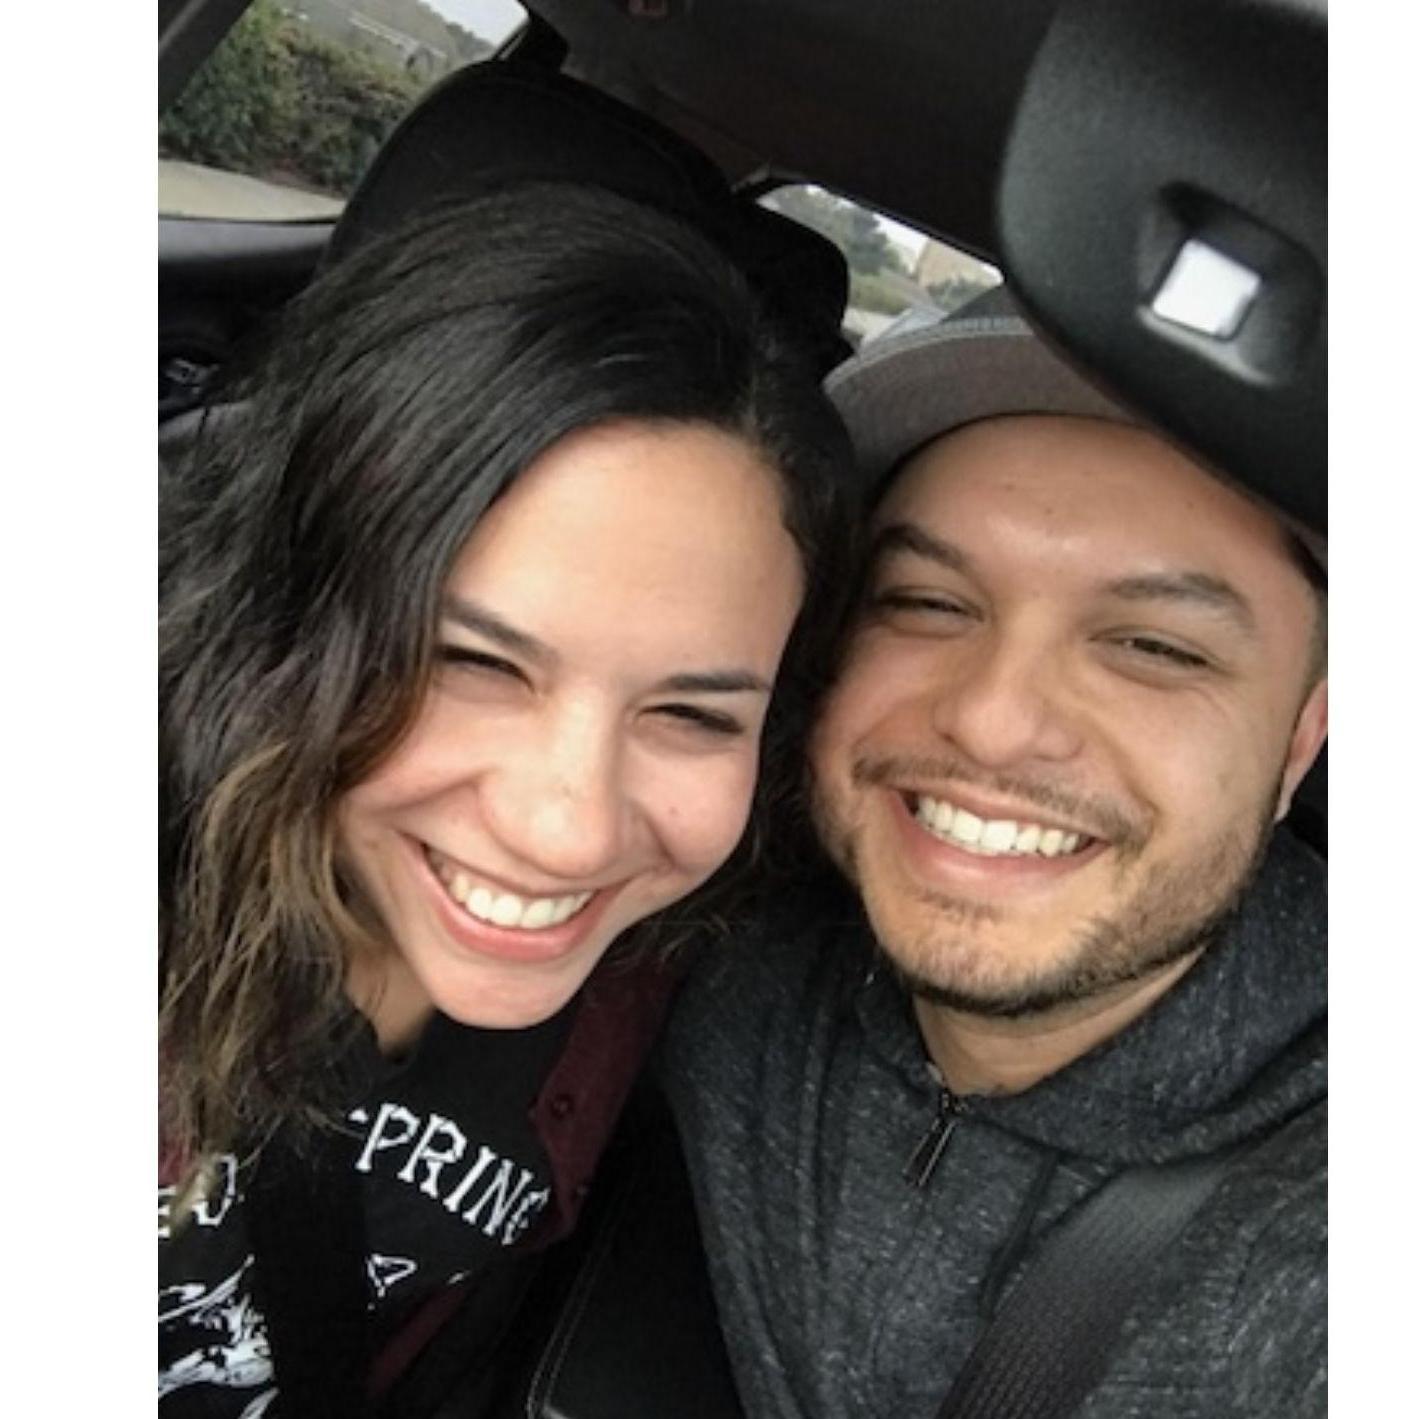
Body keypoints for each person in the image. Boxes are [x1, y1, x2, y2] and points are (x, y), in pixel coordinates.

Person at [158, 180, 854, 1417]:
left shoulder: (658, 989)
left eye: (693, 716)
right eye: (471, 664)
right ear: (290, 609)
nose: (567, 831)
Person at [659, 290, 1328, 1418]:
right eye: (926, 602)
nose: (992, 720)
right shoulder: (711, 934)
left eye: (1153, 646)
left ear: (1300, 743)